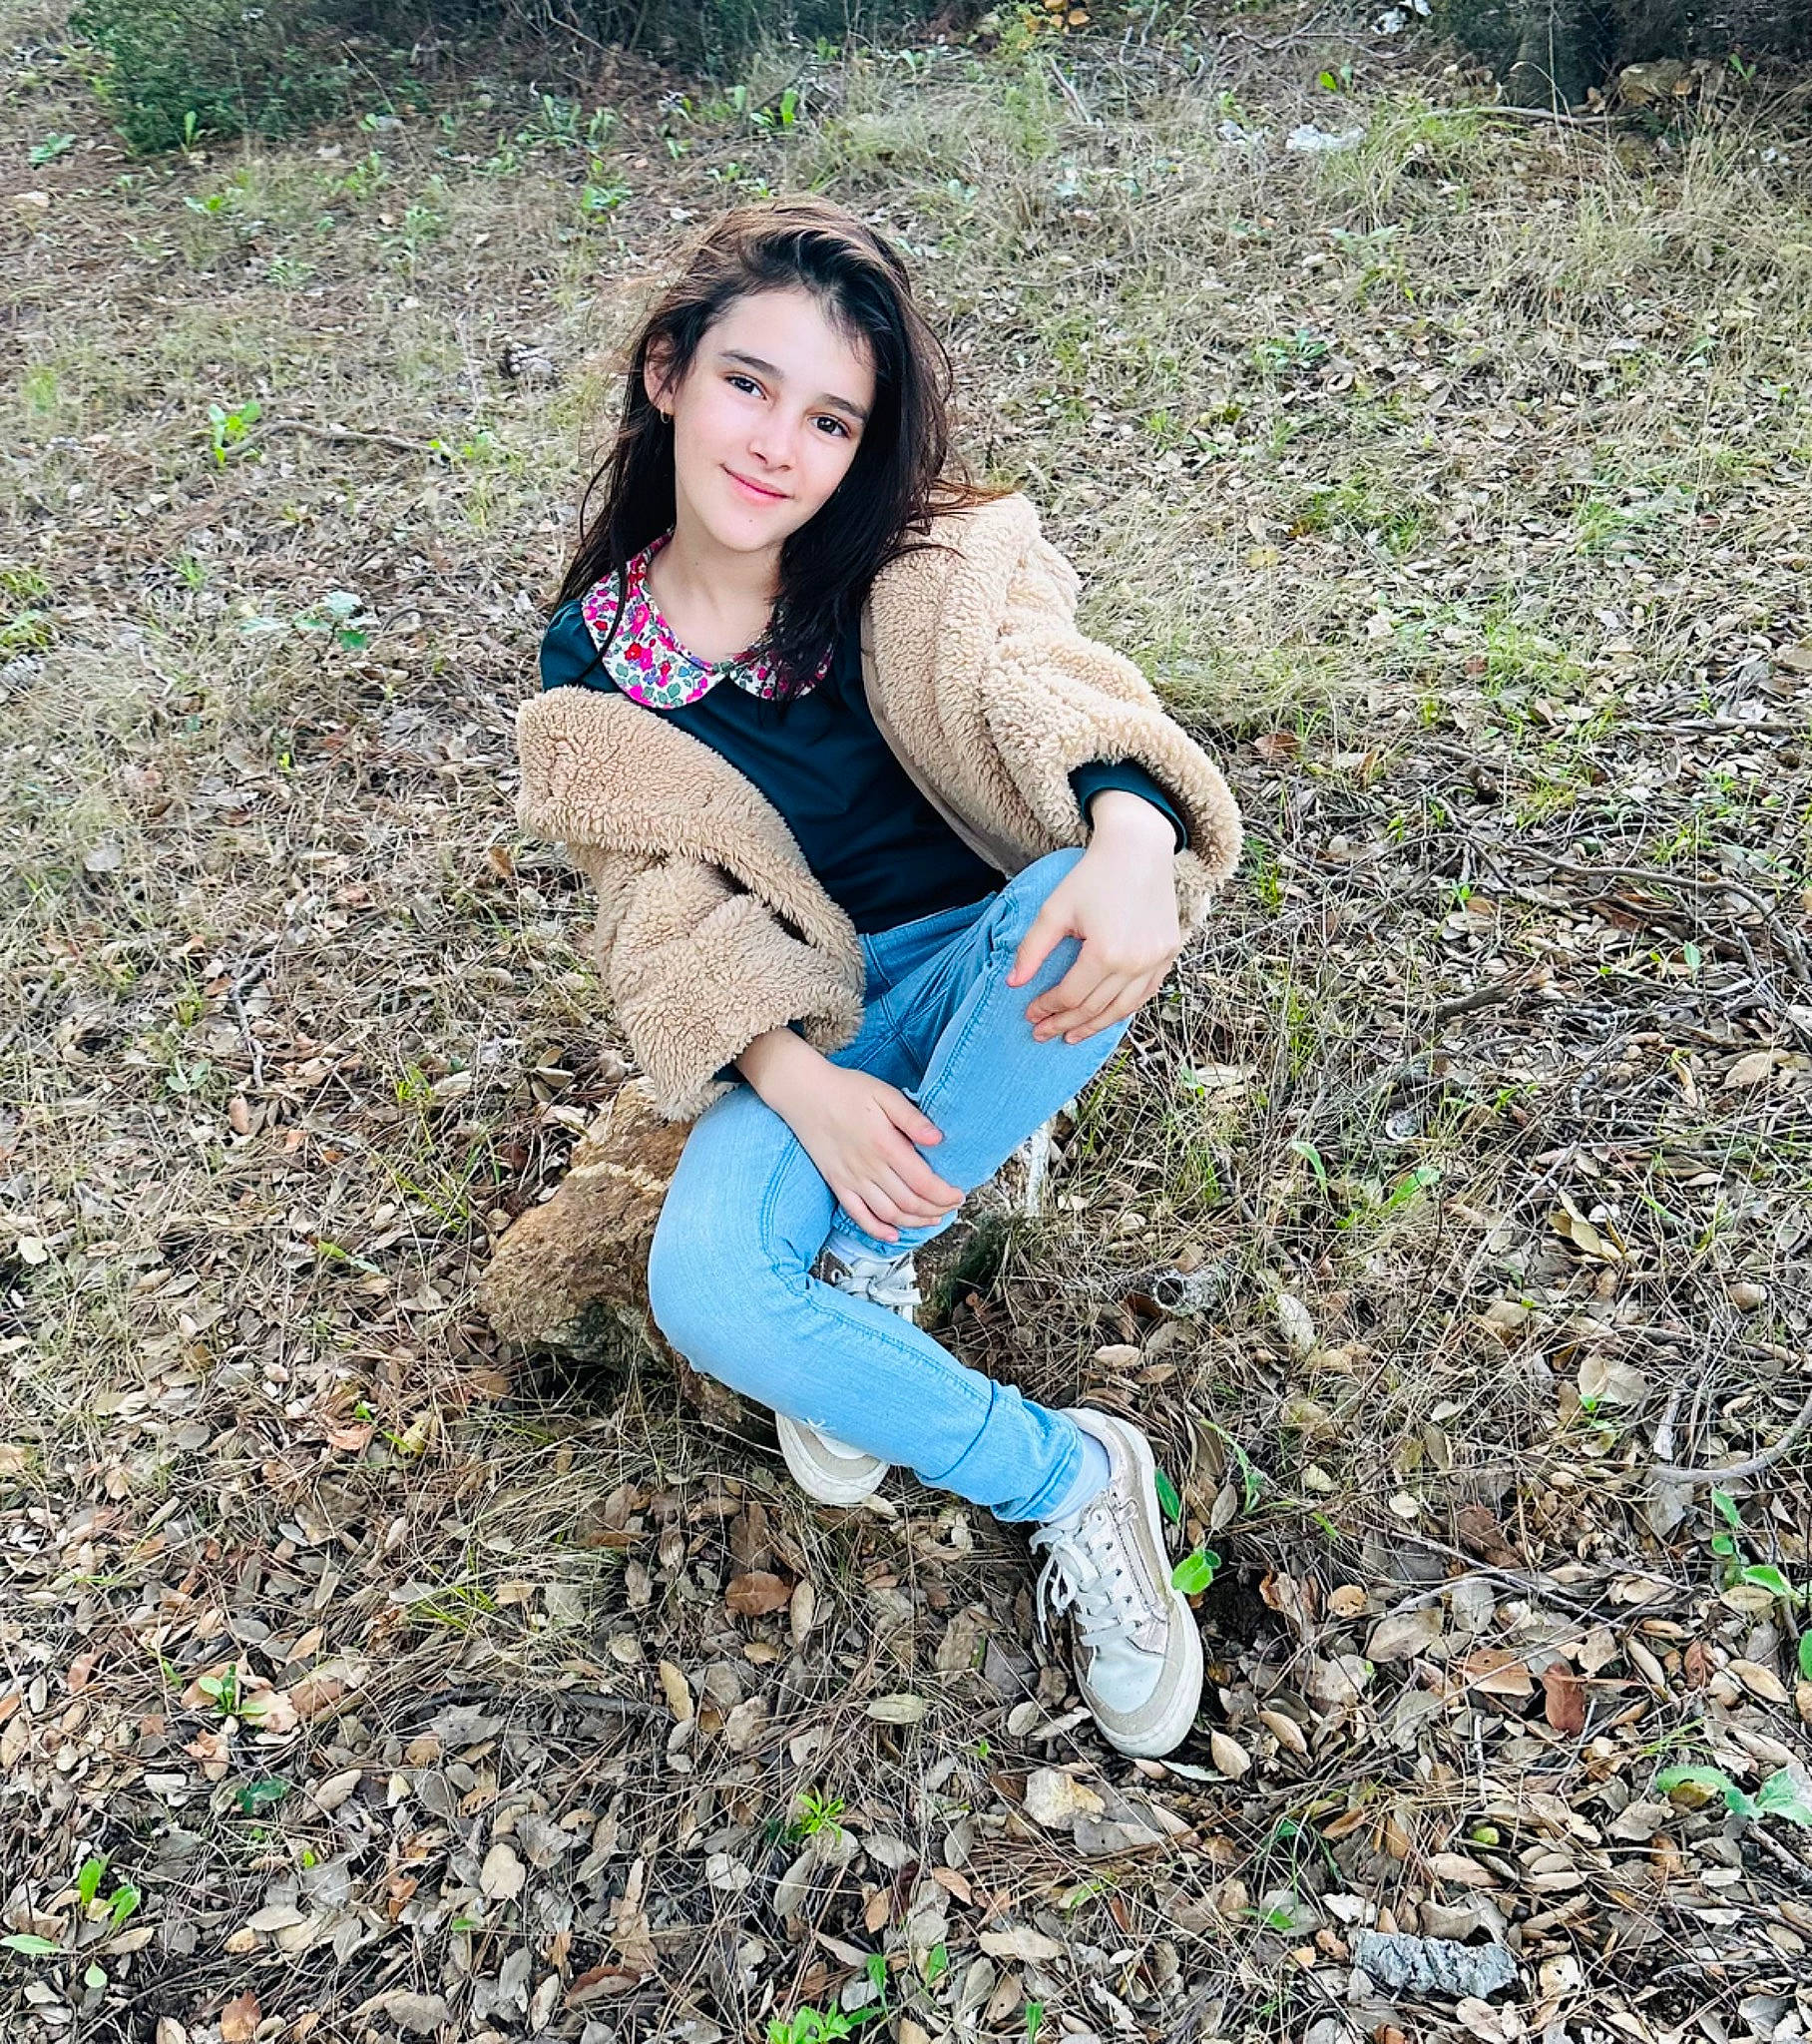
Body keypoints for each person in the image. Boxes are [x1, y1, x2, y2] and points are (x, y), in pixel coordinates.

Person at [516, 197, 1242, 1759]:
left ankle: (872, 1256)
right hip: (815, 1011)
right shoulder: (592, 668)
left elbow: (1047, 682)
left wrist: (1128, 829)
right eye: (749, 384)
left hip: (989, 967)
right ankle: (1071, 1475)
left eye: (832, 416)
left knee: (1073, 902)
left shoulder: (922, 562)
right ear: (667, 375)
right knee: (703, 1286)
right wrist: (801, 1087)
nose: (781, 443)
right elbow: (656, 907)